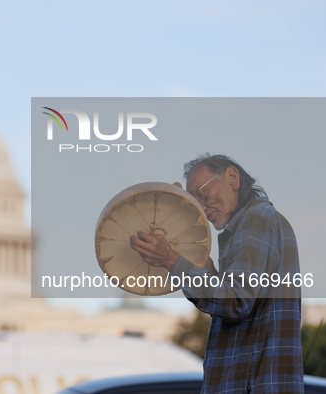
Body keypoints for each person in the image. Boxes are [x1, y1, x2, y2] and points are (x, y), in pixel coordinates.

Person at [130, 154, 303, 394]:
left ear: (232, 177)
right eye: (193, 200)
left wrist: (169, 259)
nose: (200, 207)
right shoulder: (249, 225)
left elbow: (236, 301)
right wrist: (199, 266)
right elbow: (236, 295)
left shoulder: (256, 219)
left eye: (201, 194)